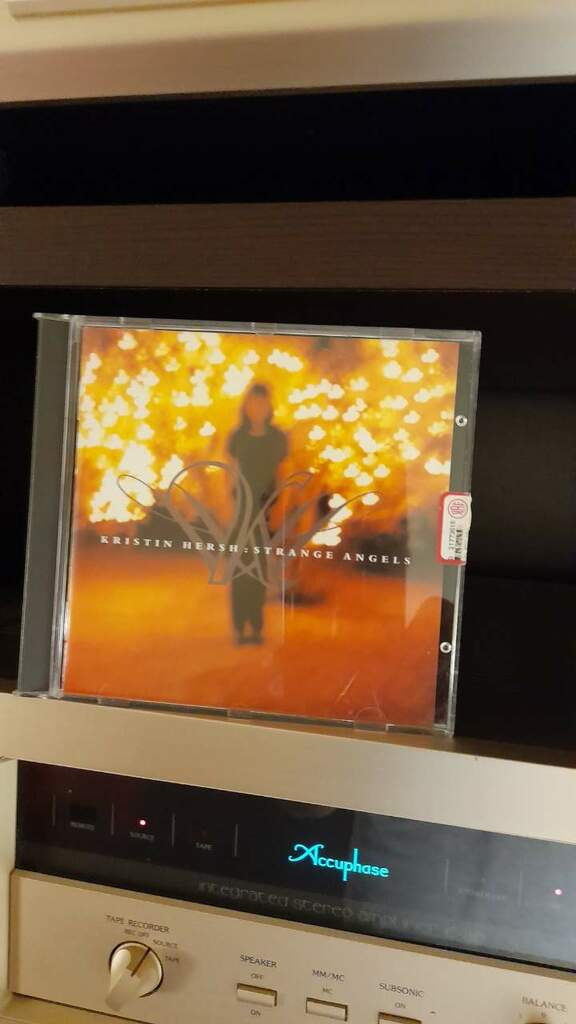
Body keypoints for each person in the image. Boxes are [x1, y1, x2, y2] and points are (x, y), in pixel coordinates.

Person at [227, 383, 288, 644]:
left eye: (262, 403)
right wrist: (228, 509)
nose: (257, 408)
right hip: (241, 510)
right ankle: (240, 627)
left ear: (269, 406)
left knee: (261, 570)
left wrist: (280, 510)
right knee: (240, 569)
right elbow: (228, 472)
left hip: (267, 510)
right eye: (252, 402)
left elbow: (284, 474)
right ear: (245, 405)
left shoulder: (277, 438)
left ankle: (256, 626)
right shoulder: (237, 437)